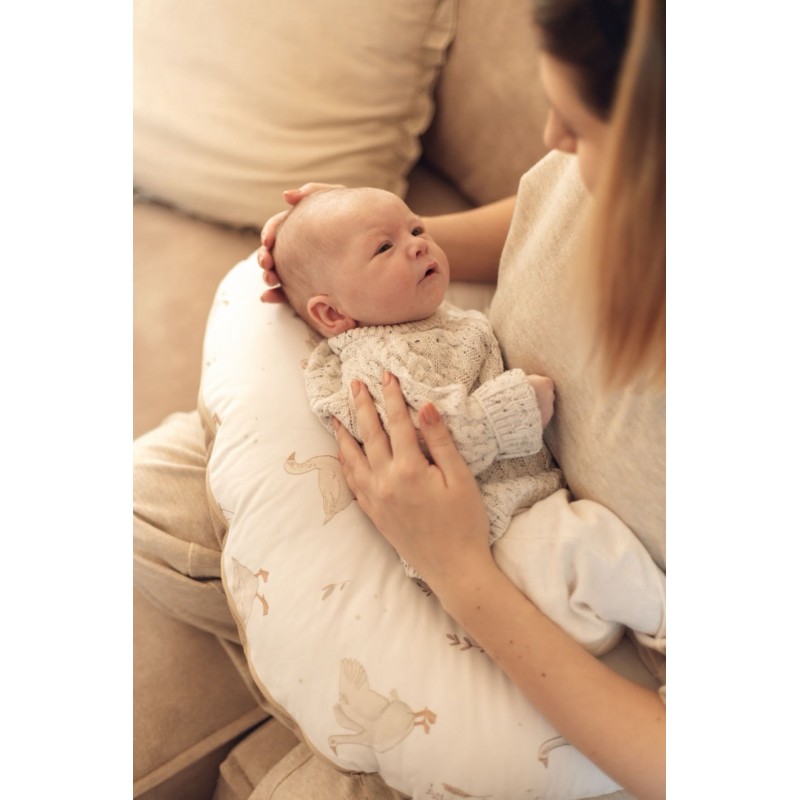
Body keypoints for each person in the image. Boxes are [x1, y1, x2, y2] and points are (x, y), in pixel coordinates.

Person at [256, 1, 666, 798]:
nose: (549, 138)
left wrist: (458, 572)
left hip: (519, 581)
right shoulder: (623, 175)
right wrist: (375, 245)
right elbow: (553, 210)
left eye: (580, 127)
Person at [268, 184, 665, 657]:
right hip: (498, 535)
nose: (417, 243)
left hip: (531, 508)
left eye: (416, 228)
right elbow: (423, 441)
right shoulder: (375, 362)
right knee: (591, 550)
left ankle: (646, 622)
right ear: (332, 313)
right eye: (383, 246)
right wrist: (510, 410)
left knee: (599, 549)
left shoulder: (431, 319)